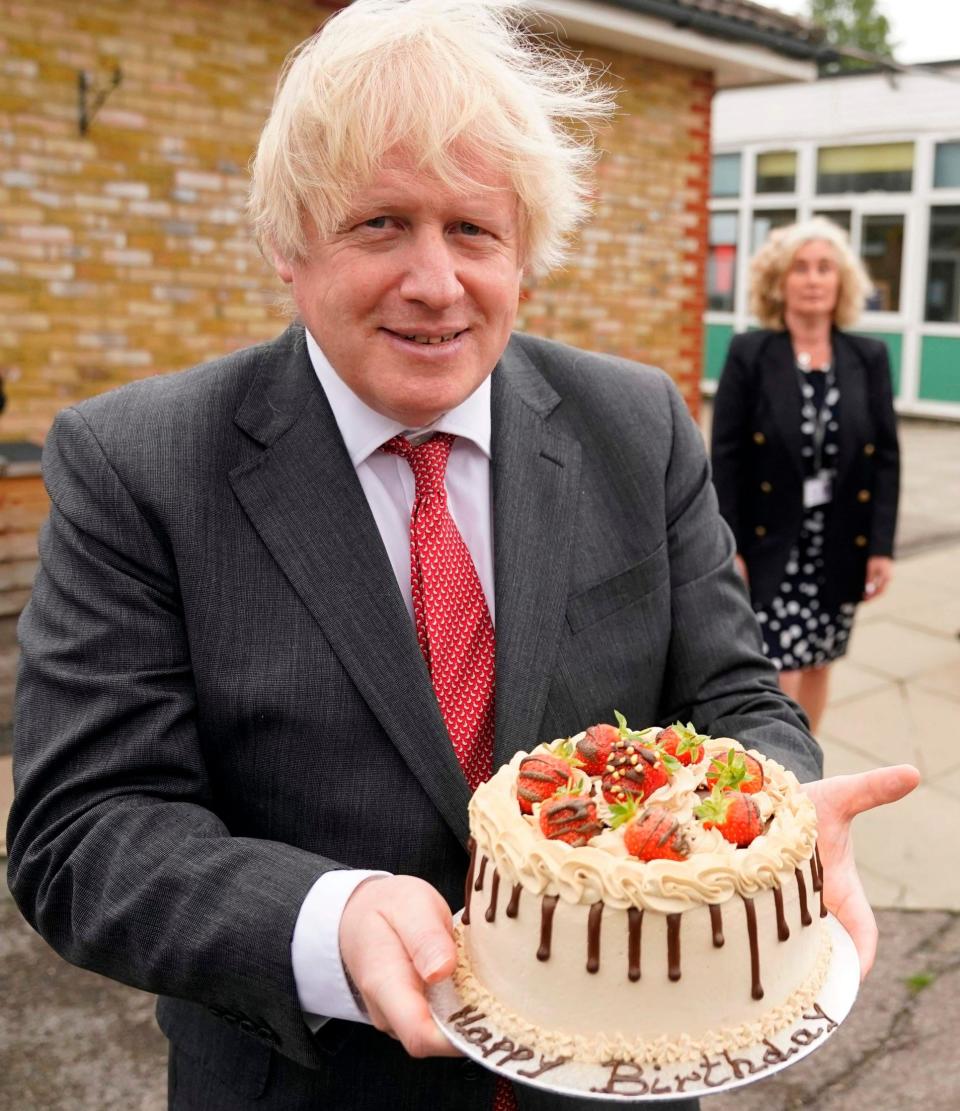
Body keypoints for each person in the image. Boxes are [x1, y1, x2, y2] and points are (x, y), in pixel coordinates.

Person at [7, 4, 917, 1110]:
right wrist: (326, 917)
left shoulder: (636, 424)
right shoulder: (137, 464)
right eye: (381, 223)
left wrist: (775, 813)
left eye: (473, 231)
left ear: (524, 251)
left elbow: (735, 695)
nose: (435, 282)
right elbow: (83, 831)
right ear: (290, 249)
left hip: (627, 1070)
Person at [710, 218, 900, 734]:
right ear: (780, 281)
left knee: (819, 658)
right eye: (801, 268)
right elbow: (725, 455)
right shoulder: (751, 353)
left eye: (825, 268)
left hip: (839, 538)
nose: (813, 279)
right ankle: (782, 769)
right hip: (772, 539)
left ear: (841, 283)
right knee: (779, 668)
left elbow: (884, 455)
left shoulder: (868, 356)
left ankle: (806, 762)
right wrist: (729, 545)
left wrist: (881, 545)